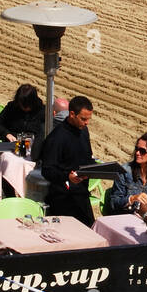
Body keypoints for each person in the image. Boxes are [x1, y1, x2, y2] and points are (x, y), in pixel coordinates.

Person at [40, 95, 95, 227]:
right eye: (83, 119)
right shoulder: (56, 138)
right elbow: (47, 170)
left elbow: (87, 157)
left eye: (88, 119)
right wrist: (67, 176)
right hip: (63, 199)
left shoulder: (83, 131)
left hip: (81, 195)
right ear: (72, 114)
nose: (86, 122)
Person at [105, 133, 147, 216]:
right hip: (124, 219)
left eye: (142, 151)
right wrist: (132, 198)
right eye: (136, 149)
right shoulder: (124, 171)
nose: (137, 153)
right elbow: (113, 203)